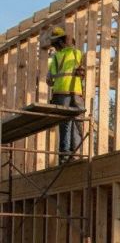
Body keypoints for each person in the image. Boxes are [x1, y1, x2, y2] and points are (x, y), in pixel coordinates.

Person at [46, 26, 85, 163]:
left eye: (56, 45)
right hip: (77, 93)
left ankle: (64, 157)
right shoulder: (78, 53)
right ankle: (77, 155)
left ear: (59, 44)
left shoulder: (55, 57)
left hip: (61, 94)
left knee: (65, 124)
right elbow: (83, 72)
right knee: (78, 123)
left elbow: (49, 81)